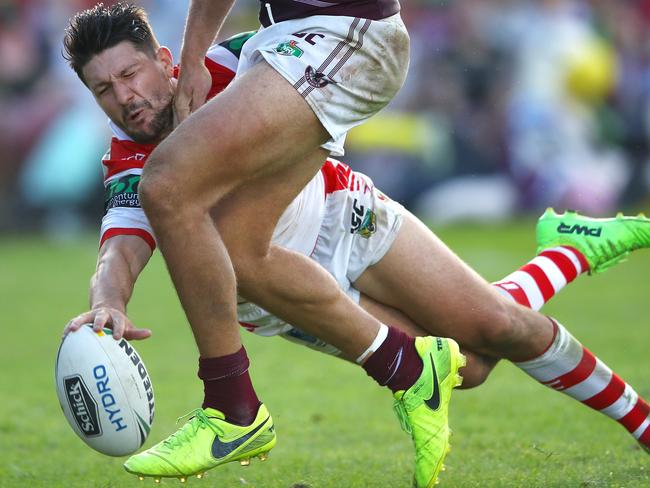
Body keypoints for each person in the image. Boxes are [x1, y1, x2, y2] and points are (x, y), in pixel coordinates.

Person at [61, 4, 650, 485]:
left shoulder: (236, 65)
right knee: (468, 369)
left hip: (345, 216)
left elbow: (322, 71)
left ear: (164, 61)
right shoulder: (126, 161)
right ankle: (570, 251)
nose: (124, 97)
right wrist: (109, 300)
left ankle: (637, 409)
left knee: (502, 326)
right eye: (104, 90)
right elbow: (120, 247)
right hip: (277, 298)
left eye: (130, 74)